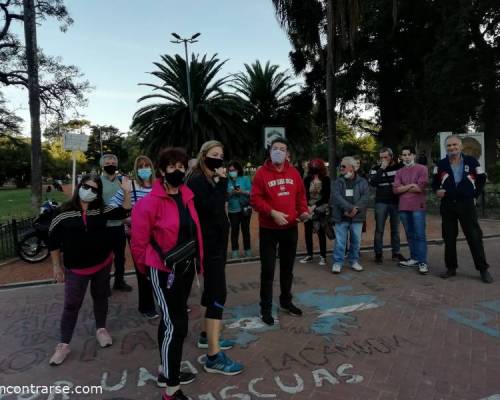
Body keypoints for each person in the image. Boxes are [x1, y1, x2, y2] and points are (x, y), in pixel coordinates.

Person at [131, 148, 203, 400]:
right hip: (162, 272)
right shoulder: (147, 204)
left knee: (170, 322)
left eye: (182, 167)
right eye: (172, 167)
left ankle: (165, 369)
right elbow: (138, 245)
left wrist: (198, 264)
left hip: (184, 269)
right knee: (177, 325)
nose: (177, 171)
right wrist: (149, 271)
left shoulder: (187, 196)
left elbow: (194, 233)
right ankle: (171, 390)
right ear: (161, 171)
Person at [47, 173, 131, 366]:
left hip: (102, 264)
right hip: (76, 269)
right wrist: (56, 266)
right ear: (79, 186)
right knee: (71, 305)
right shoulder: (63, 212)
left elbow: (124, 211)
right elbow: (52, 240)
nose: (90, 191)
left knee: (101, 297)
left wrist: (126, 191)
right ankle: (63, 344)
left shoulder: (101, 209)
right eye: (87, 187)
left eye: (95, 189)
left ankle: (101, 329)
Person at [186, 140, 244, 375]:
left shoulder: (209, 178)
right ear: (203, 156)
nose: (219, 158)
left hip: (217, 244)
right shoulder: (198, 180)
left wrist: (219, 182)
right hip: (208, 247)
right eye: (213, 154)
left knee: (211, 292)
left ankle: (205, 336)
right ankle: (213, 356)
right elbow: (212, 206)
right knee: (218, 295)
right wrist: (221, 184)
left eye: (221, 154)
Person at [250, 137, 309, 326]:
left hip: (290, 228)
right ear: (269, 151)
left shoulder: (294, 173)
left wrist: (304, 211)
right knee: (267, 270)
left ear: (287, 153)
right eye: (275, 148)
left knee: (287, 269)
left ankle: (286, 301)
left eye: (282, 149)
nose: (278, 152)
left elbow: (300, 195)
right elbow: (255, 200)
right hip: (269, 229)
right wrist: (272, 212)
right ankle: (265, 308)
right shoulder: (261, 173)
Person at [432, 135, 493, 283]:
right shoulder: (440, 164)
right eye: (449, 146)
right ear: (446, 148)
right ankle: (451, 268)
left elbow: (482, 178)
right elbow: (435, 182)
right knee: (449, 237)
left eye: (455, 145)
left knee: (474, 237)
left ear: (461, 146)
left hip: (467, 205)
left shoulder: (472, 161)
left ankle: (483, 269)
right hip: (448, 205)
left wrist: (474, 194)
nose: (452, 148)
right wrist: (437, 191)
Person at [109, 155, 158, 319]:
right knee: (142, 270)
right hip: (138, 235)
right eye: (141, 166)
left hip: (159, 234)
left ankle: (166, 301)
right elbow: (110, 207)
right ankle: (146, 306)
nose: (144, 169)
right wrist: (126, 219)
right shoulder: (130, 186)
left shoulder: (159, 185)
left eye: (147, 165)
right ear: (136, 169)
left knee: (161, 268)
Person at [393, 146, 429, 274]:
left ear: (413, 155)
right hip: (403, 207)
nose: (406, 157)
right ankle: (414, 258)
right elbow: (395, 190)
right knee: (410, 234)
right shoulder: (399, 172)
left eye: (409, 154)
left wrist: (404, 187)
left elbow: (420, 188)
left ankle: (422, 261)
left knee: (419, 234)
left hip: (417, 206)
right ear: (401, 157)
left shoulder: (422, 169)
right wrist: (411, 185)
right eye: (404, 155)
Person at [330, 157, 369, 273]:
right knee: (340, 241)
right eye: (340, 166)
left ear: (352, 168)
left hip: (357, 216)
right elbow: (337, 198)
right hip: (341, 215)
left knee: (356, 241)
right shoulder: (337, 182)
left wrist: (355, 209)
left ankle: (354, 261)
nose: (341, 168)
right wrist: (349, 209)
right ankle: (338, 262)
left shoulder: (362, 182)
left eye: (344, 166)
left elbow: (365, 197)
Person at [368, 147, 406, 264]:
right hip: (381, 202)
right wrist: (381, 169)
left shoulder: (399, 167)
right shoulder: (375, 169)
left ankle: (396, 252)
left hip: (395, 202)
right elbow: (373, 183)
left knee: (395, 229)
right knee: (379, 229)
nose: (383, 159)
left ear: (391, 156)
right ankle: (378, 254)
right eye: (381, 157)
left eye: (386, 157)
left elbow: (404, 181)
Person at [101, 153, 132, 292]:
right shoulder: (98, 181)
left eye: (113, 162)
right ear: (102, 165)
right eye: (107, 162)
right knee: (105, 258)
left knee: (120, 257)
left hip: (119, 226)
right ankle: (104, 284)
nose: (111, 164)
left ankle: (119, 281)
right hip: (104, 227)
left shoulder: (122, 181)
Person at [300, 158, 331, 266]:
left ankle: (323, 257)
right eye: (312, 166)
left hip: (320, 208)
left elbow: (326, 196)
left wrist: (314, 206)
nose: (314, 168)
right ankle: (309, 255)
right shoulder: (307, 179)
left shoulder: (326, 179)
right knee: (307, 232)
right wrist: (308, 206)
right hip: (308, 207)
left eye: (316, 166)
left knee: (321, 232)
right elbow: (304, 195)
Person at [227, 160, 252, 259]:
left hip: (245, 209)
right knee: (234, 231)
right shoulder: (227, 181)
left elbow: (251, 193)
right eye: (230, 170)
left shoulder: (245, 179)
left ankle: (248, 250)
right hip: (233, 210)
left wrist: (242, 191)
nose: (231, 172)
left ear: (238, 170)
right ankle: (235, 251)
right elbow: (225, 196)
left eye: (233, 170)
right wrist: (231, 192)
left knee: (246, 230)